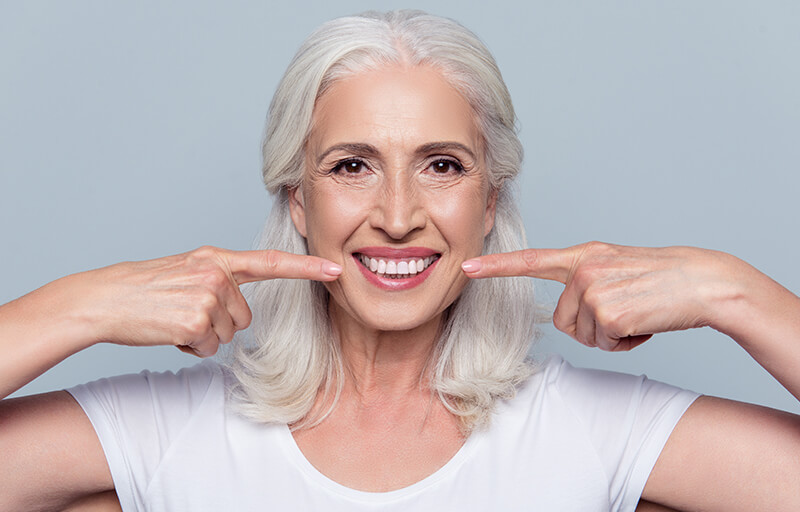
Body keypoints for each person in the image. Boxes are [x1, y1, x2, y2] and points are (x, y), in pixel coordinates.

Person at [1, 9, 799, 511]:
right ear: (296, 202)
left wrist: (731, 292)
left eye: (442, 165)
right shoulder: (166, 432)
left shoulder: (592, 431)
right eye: (351, 166)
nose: (396, 216)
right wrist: (82, 307)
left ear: (489, 203)